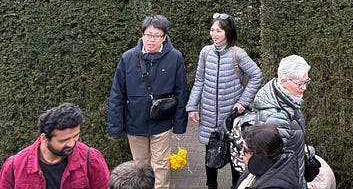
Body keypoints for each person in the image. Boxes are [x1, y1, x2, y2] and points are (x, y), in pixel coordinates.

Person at [108, 14, 189, 189]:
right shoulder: (128, 58)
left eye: (156, 35)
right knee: (140, 166)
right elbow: (117, 93)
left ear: (164, 37)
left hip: (162, 122)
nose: (151, 40)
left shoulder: (175, 57)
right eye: (148, 35)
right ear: (142, 34)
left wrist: (179, 124)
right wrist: (115, 126)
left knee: (161, 165)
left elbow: (181, 92)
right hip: (135, 122)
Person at [188, 13, 264, 189]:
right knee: (210, 155)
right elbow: (199, 81)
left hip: (231, 117)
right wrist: (192, 106)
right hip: (208, 115)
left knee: (234, 156)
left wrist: (243, 102)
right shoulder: (205, 52)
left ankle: (236, 186)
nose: (214, 34)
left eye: (219, 31)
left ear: (228, 32)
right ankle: (211, 186)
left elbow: (256, 75)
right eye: (212, 30)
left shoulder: (238, 54)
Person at [0, 103, 109, 189]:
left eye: (75, 136)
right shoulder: (15, 165)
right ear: (44, 138)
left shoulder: (91, 158)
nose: (72, 144)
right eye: (64, 140)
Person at [254, 55, 312, 187]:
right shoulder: (276, 117)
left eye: (306, 81)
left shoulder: (287, 100)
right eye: (300, 83)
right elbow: (273, 166)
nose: (304, 87)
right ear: (284, 81)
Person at [234, 124, 299, 189]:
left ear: (259, 155)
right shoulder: (257, 167)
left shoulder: (277, 186)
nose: (241, 153)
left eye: (245, 150)